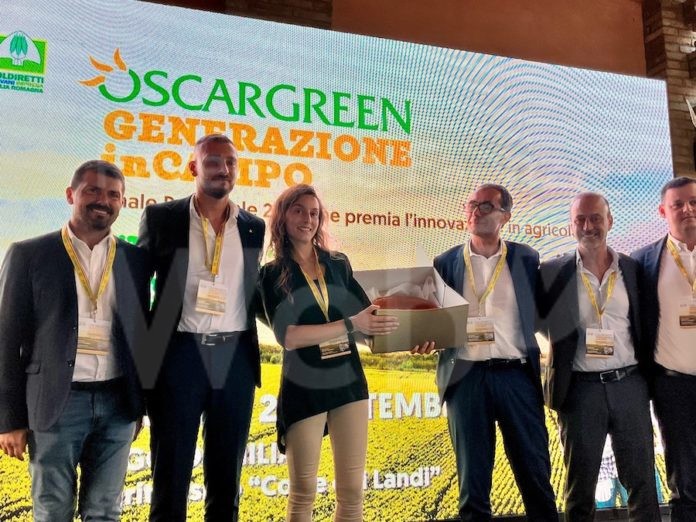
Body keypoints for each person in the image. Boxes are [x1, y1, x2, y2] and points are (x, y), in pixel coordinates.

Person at [0, 160, 150, 521]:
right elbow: (5, 339)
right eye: (93, 191)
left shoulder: (134, 260)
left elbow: (140, 337)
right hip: (56, 403)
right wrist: (8, 419)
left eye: (113, 195)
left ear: (122, 202)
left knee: (105, 511)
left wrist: (139, 406)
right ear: (71, 194)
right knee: (53, 509)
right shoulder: (30, 254)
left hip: (118, 405)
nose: (103, 201)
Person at [258, 184, 404, 522]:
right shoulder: (271, 273)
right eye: (298, 210)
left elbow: (369, 322)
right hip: (304, 386)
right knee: (303, 493)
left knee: (352, 494)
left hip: (347, 383)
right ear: (282, 217)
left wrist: (419, 336)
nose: (307, 219)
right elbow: (288, 336)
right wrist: (350, 324)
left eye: (314, 213)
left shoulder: (338, 264)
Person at [138, 134, 265, 521]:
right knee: (171, 476)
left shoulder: (253, 227)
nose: (223, 169)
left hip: (235, 360)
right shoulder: (162, 218)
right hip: (179, 357)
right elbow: (137, 294)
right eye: (212, 161)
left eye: (231, 162)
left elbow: (252, 292)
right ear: (194, 167)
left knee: (226, 480)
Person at [416, 183, 558, 521]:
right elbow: (434, 320)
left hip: (516, 377)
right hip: (466, 378)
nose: (476, 212)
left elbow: (541, 315)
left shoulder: (526, 258)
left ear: (505, 216)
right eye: (472, 205)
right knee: (473, 486)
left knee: (536, 477)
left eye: (486, 206)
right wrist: (425, 338)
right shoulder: (445, 262)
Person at [539, 192, 660, 522]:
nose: (588, 226)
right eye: (580, 219)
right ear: (571, 224)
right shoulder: (552, 272)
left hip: (629, 386)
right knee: (580, 489)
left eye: (595, 218)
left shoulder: (633, 269)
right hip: (580, 390)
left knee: (642, 482)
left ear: (610, 221)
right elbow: (528, 320)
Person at [632, 176, 696, 521]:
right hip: (673, 385)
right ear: (662, 211)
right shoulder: (643, 261)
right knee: (683, 478)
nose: (688, 209)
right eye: (678, 204)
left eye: (694, 202)